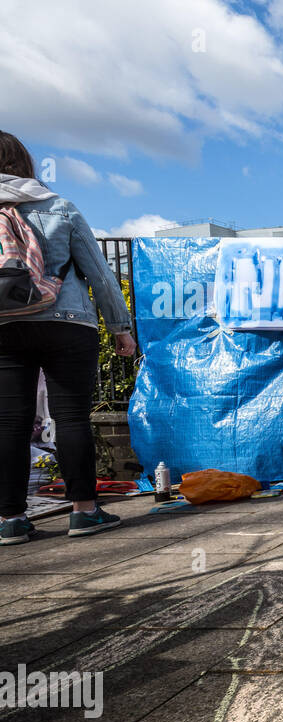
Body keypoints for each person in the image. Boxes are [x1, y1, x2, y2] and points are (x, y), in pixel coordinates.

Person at [0, 130, 137, 545]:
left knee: (9, 423)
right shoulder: (59, 207)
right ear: (25, 163)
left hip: (5, 326)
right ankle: (84, 512)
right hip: (67, 322)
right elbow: (100, 274)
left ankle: (10, 520)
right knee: (72, 417)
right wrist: (120, 328)